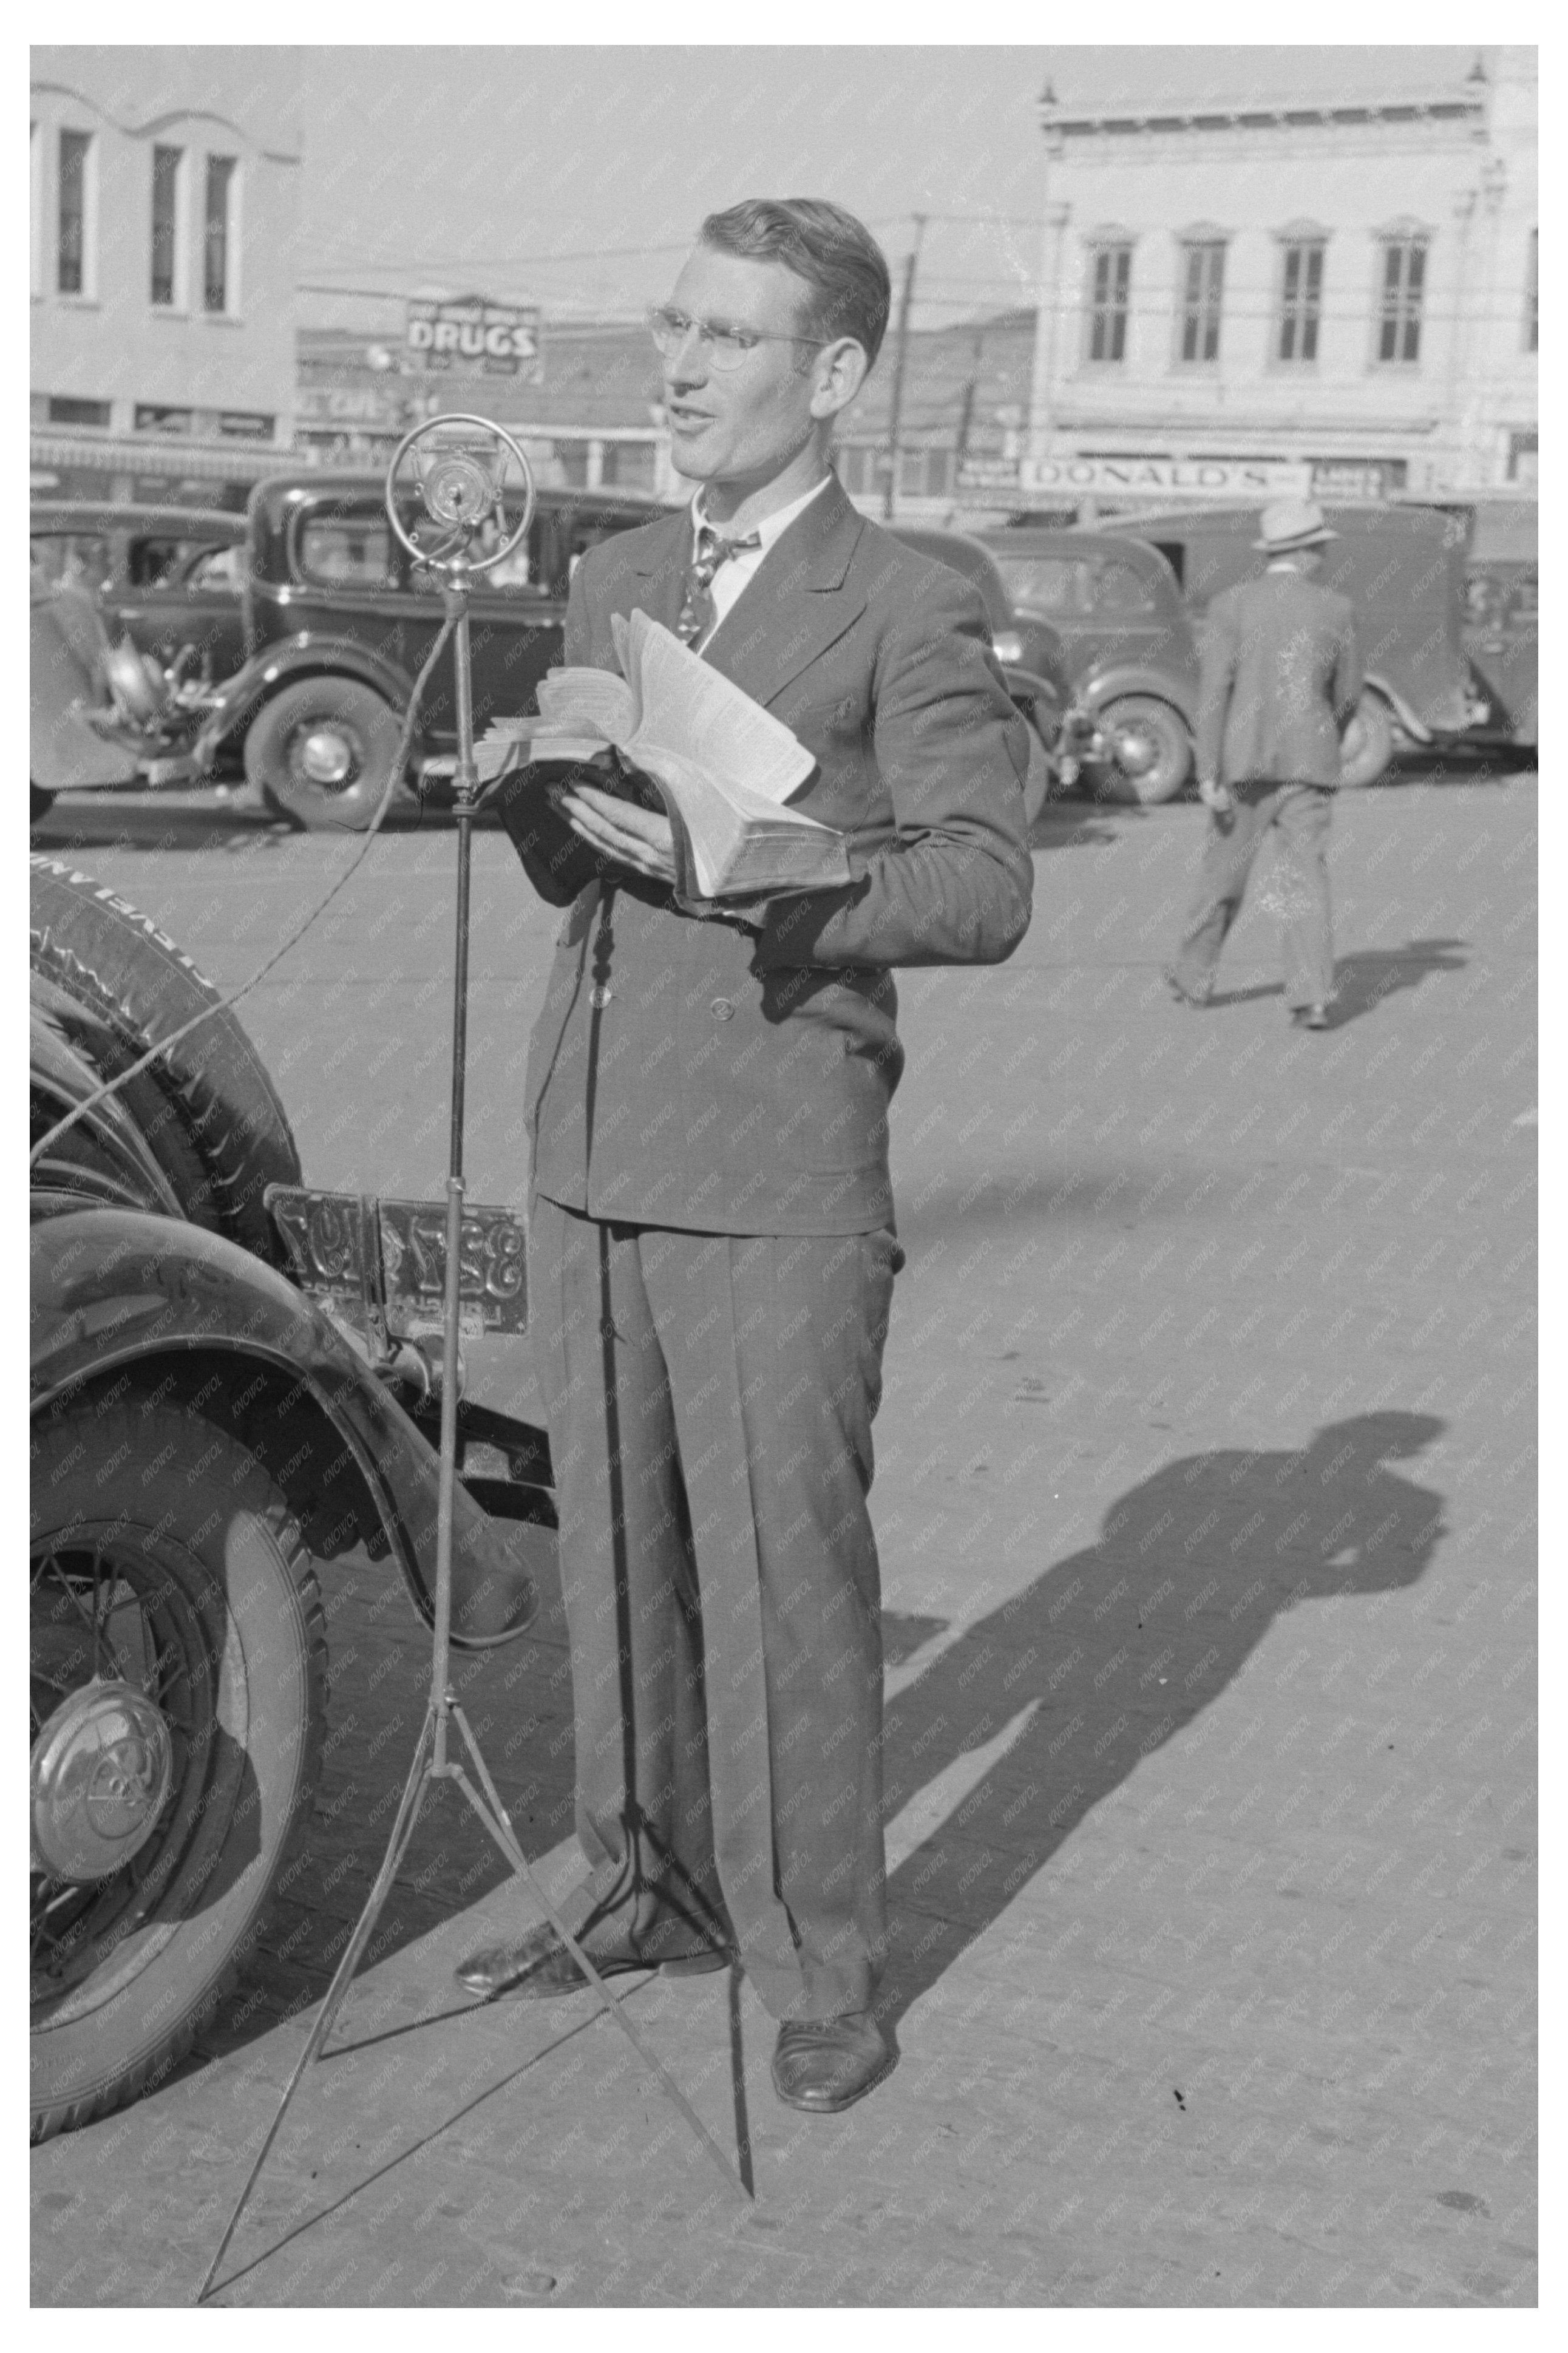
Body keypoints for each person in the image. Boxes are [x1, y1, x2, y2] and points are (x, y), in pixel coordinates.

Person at [462, 197, 1034, 2114]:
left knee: (786, 1576)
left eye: (729, 336)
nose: (681, 366)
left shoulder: (911, 593)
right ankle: (644, 1878)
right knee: (612, 1554)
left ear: (839, 372)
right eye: (672, 324)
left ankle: (822, 1965)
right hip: (589, 1142)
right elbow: (585, 860)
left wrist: (763, 856)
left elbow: (979, 880)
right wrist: (536, 794)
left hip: (779, 1164)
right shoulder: (620, 564)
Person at [1164, 497, 1363, 1030]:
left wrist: (1207, 769)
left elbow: (1213, 694)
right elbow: (1346, 696)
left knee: (1222, 877)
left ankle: (1192, 979)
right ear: (1301, 553)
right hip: (1308, 767)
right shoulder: (1335, 610)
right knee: (1304, 880)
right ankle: (1312, 997)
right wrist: (1325, 739)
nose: (1322, 556)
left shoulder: (1230, 606)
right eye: (1318, 548)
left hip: (1240, 765)